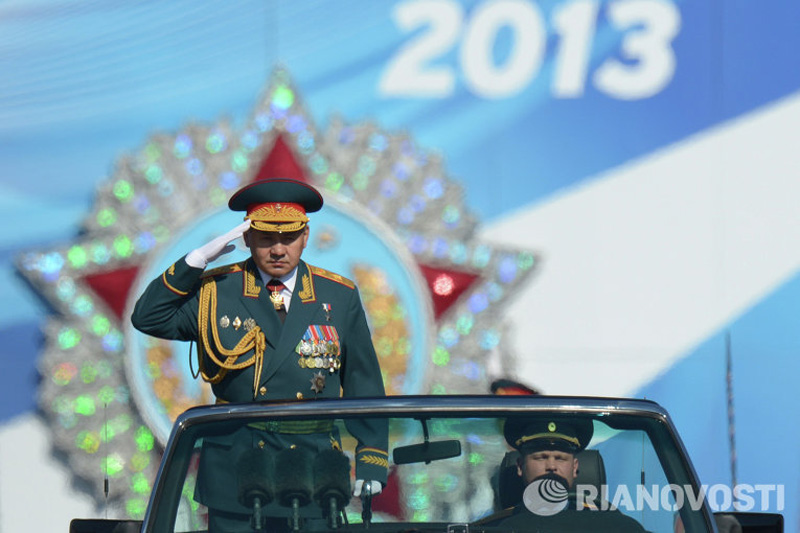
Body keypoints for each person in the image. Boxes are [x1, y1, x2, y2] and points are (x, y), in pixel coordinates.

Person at [131, 174, 388, 530]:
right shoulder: (218, 291)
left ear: (306, 237)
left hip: (312, 471)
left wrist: (372, 457)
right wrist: (193, 263)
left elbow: (364, 383)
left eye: (289, 237)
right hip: (237, 472)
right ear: (248, 237)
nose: (278, 249)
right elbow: (148, 317)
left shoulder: (337, 296)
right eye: (266, 237)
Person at [477, 416, 645, 532]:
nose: (551, 466)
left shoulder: (614, 527)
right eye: (541, 457)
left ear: (575, 468)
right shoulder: (493, 528)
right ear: (520, 466)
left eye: (560, 458)